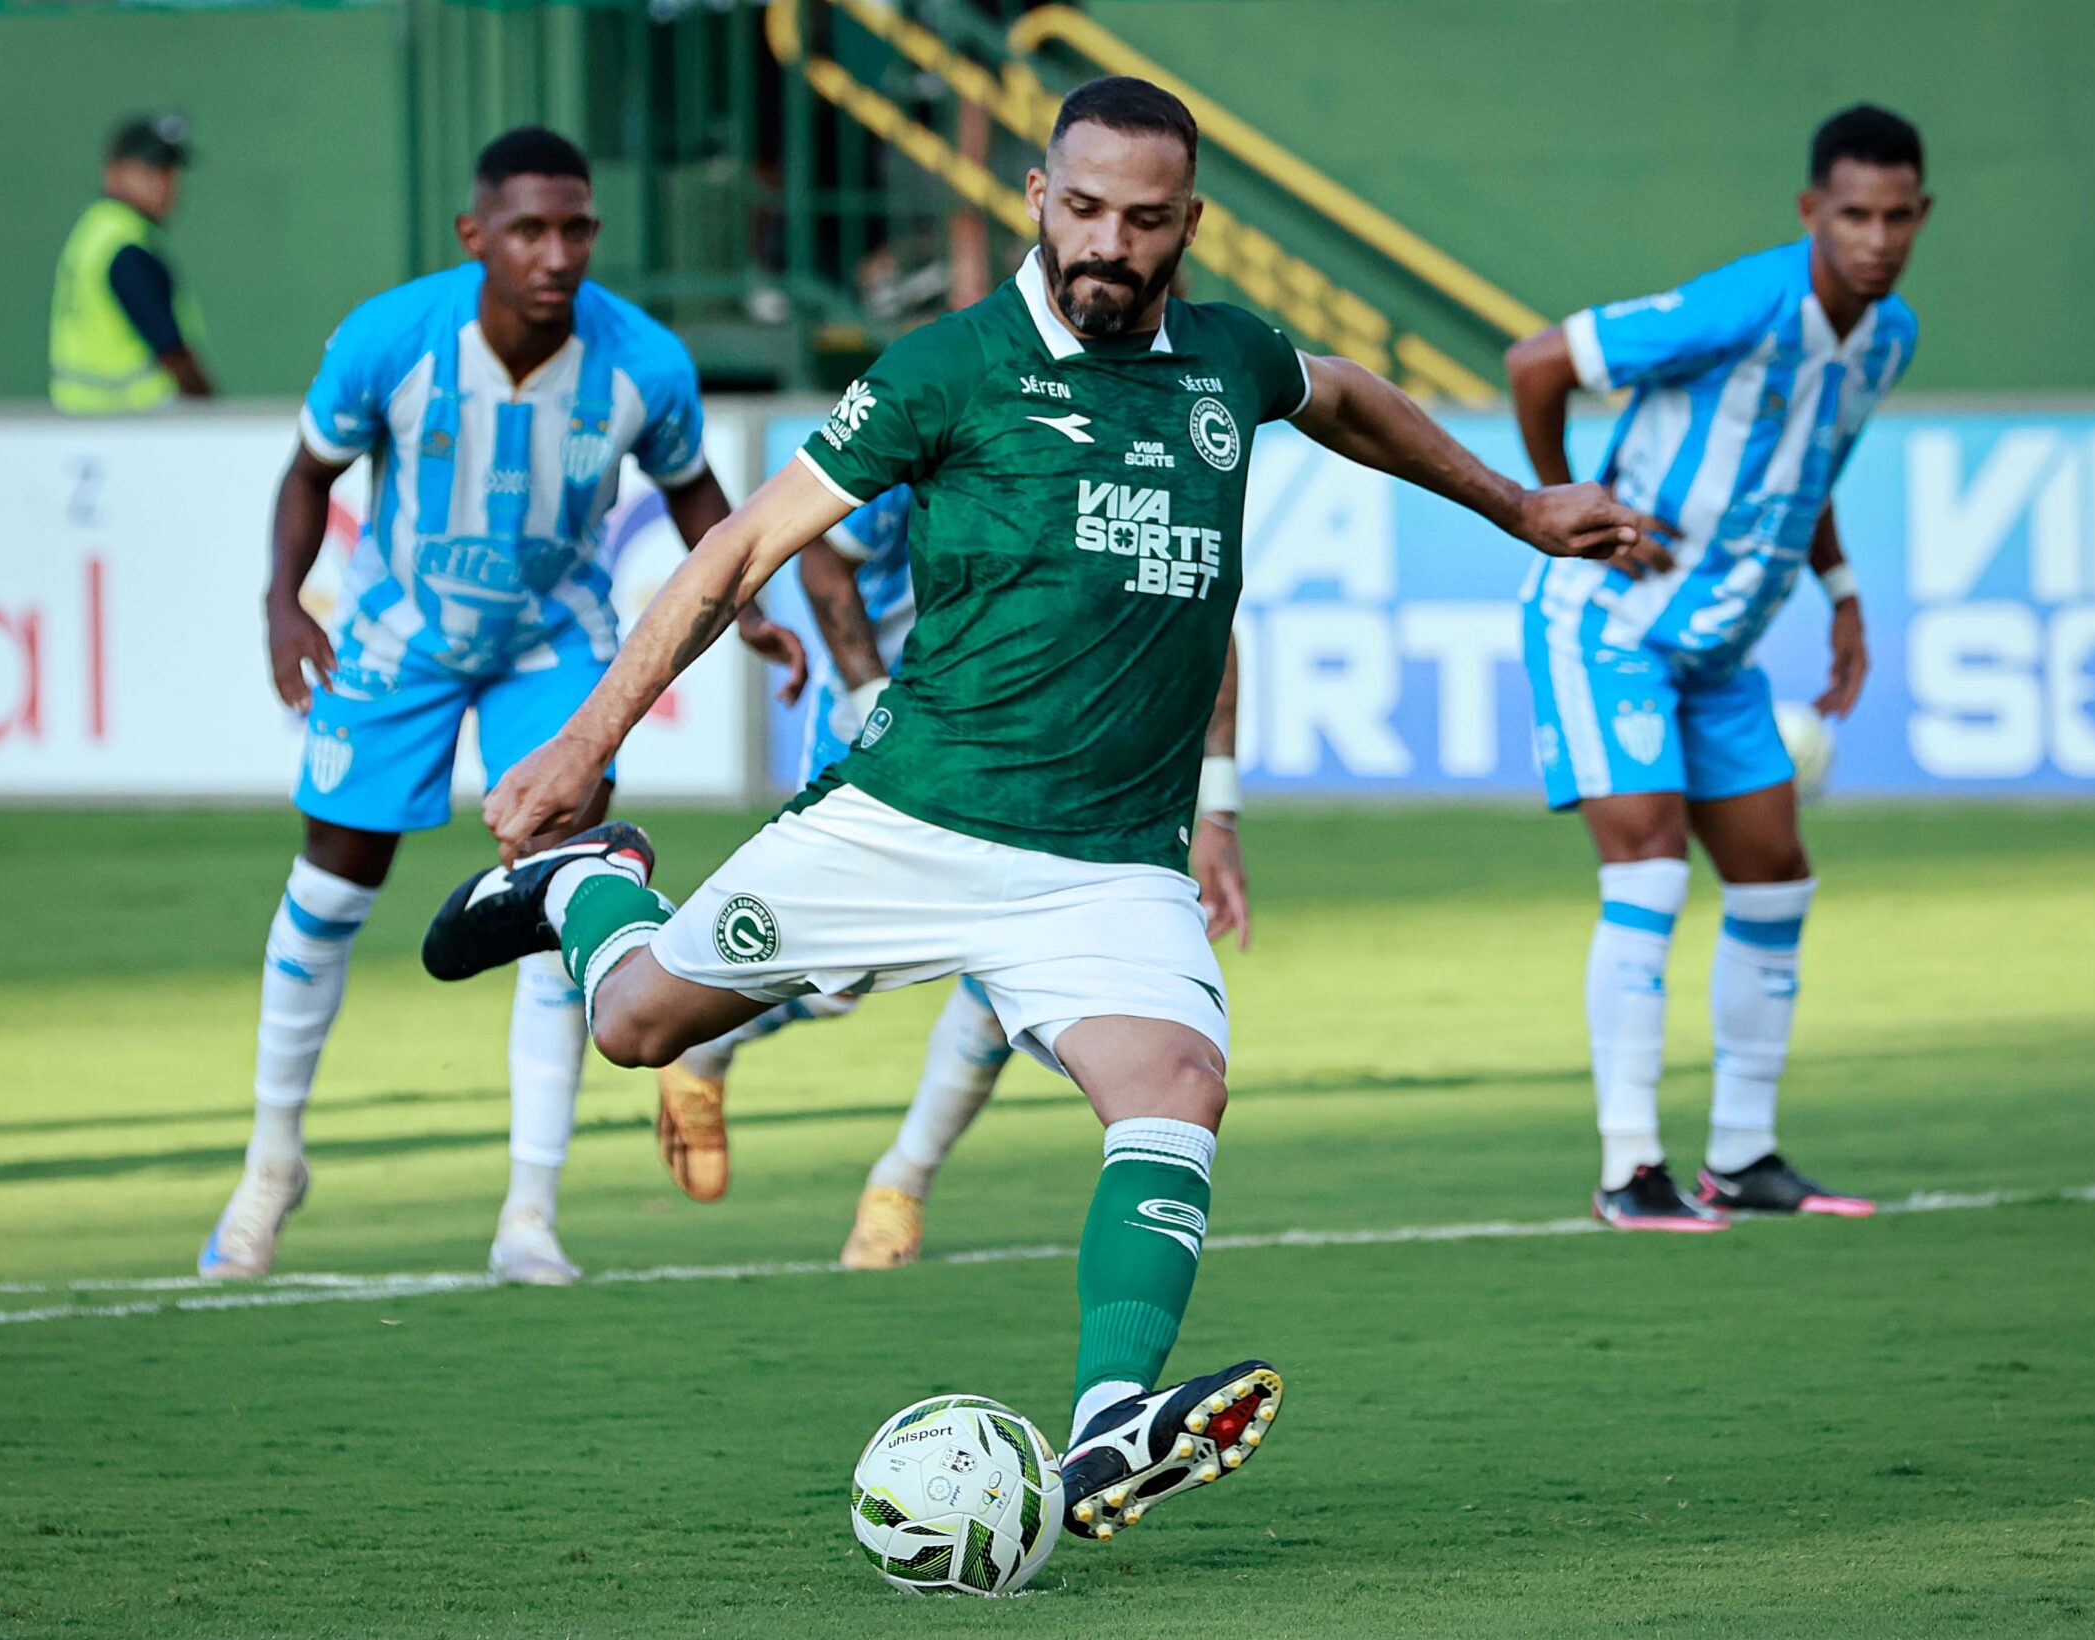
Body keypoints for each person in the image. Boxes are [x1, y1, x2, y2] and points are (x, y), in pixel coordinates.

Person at [418, 77, 1655, 1538]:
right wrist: (583, 743)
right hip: (912, 818)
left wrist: (1519, 508)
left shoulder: (1227, 361)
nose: (1109, 244)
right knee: (636, 1026)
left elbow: (1351, 398)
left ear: (1188, 222)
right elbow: (744, 547)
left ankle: (1111, 1421)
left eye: (1144, 219)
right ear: (1037, 198)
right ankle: (584, 882)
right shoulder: (952, 369)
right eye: (1084, 210)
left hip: (1104, 867)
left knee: (1179, 1085)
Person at [195, 126, 805, 1285]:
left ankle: (530, 1208)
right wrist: (282, 600)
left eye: (576, 226)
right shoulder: (389, 338)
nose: (556, 251)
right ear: (477, 235)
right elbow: (308, 471)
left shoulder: (645, 363)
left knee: (558, 893)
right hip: (399, 633)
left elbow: (702, 502)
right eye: (529, 228)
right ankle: (273, 1160)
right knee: (331, 887)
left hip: (554, 646)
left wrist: (756, 607)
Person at [1504, 104, 1929, 1232]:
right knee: (1646, 867)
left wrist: (1841, 594)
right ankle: (1628, 1167)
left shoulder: (1888, 337)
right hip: (1606, 623)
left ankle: (1740, 1155)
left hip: (1720, 648)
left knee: (1775, 875)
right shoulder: (1744, 302)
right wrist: (1570, 509)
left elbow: (1806, 465)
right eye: (1854, 215)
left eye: (1896, 217)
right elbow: (1537, 361)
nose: (1876, 238)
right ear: (1810, 213)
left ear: (1921, 217)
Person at [651, 473, 1251, 1271]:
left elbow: (1202, 620)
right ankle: (704, 1051)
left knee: (1019, 983)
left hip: (1047, 762)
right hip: (899, 736)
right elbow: (822, 559)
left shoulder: (1141, 450)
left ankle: (902, 1183)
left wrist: (1218, 809)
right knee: (837, 982)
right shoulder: (957, 420)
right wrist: (873, 709)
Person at [49, 114, 217, 412]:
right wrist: (211, 412)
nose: (166, 182)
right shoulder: (125, 248)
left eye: (171, 170)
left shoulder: (93, 233)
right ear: (113, 172)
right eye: (152, 168)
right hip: (135, 424)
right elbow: (173, 354)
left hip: (84, 419)